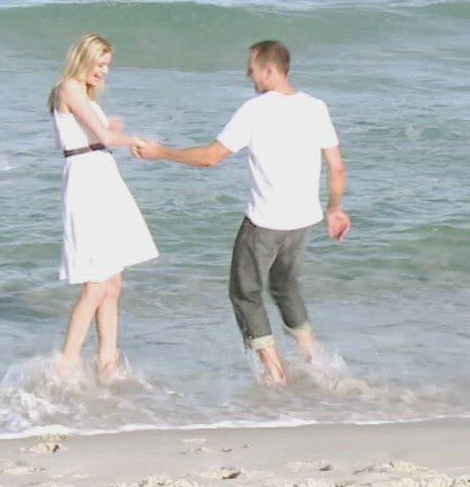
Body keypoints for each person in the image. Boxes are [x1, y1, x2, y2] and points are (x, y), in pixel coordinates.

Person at [134, 40, 349, 383]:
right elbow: (336, 167)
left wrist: (161, 152)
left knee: (245, 293)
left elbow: (211, 157)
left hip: (265, 221)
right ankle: (313, 356)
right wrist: (334, 209)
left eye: (252, 68)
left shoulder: (254, 110)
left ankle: (274, 372)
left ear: (269, 70)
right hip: (303, 221)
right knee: (285, 287)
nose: (248, 74)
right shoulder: (316, 107)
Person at [48, 33, 157, 381]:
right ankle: (67, 362)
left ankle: (107, 361)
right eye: (99, 64)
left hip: (102, 174)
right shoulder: (68, 87)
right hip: (87, 181)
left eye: (107, 65)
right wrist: (131, 139)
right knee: (96, 282)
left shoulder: (83, 93)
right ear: (83, 59)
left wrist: (110, 128)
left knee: (113, 281)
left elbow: (98, 135)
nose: (104, 71)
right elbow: (104, 138)